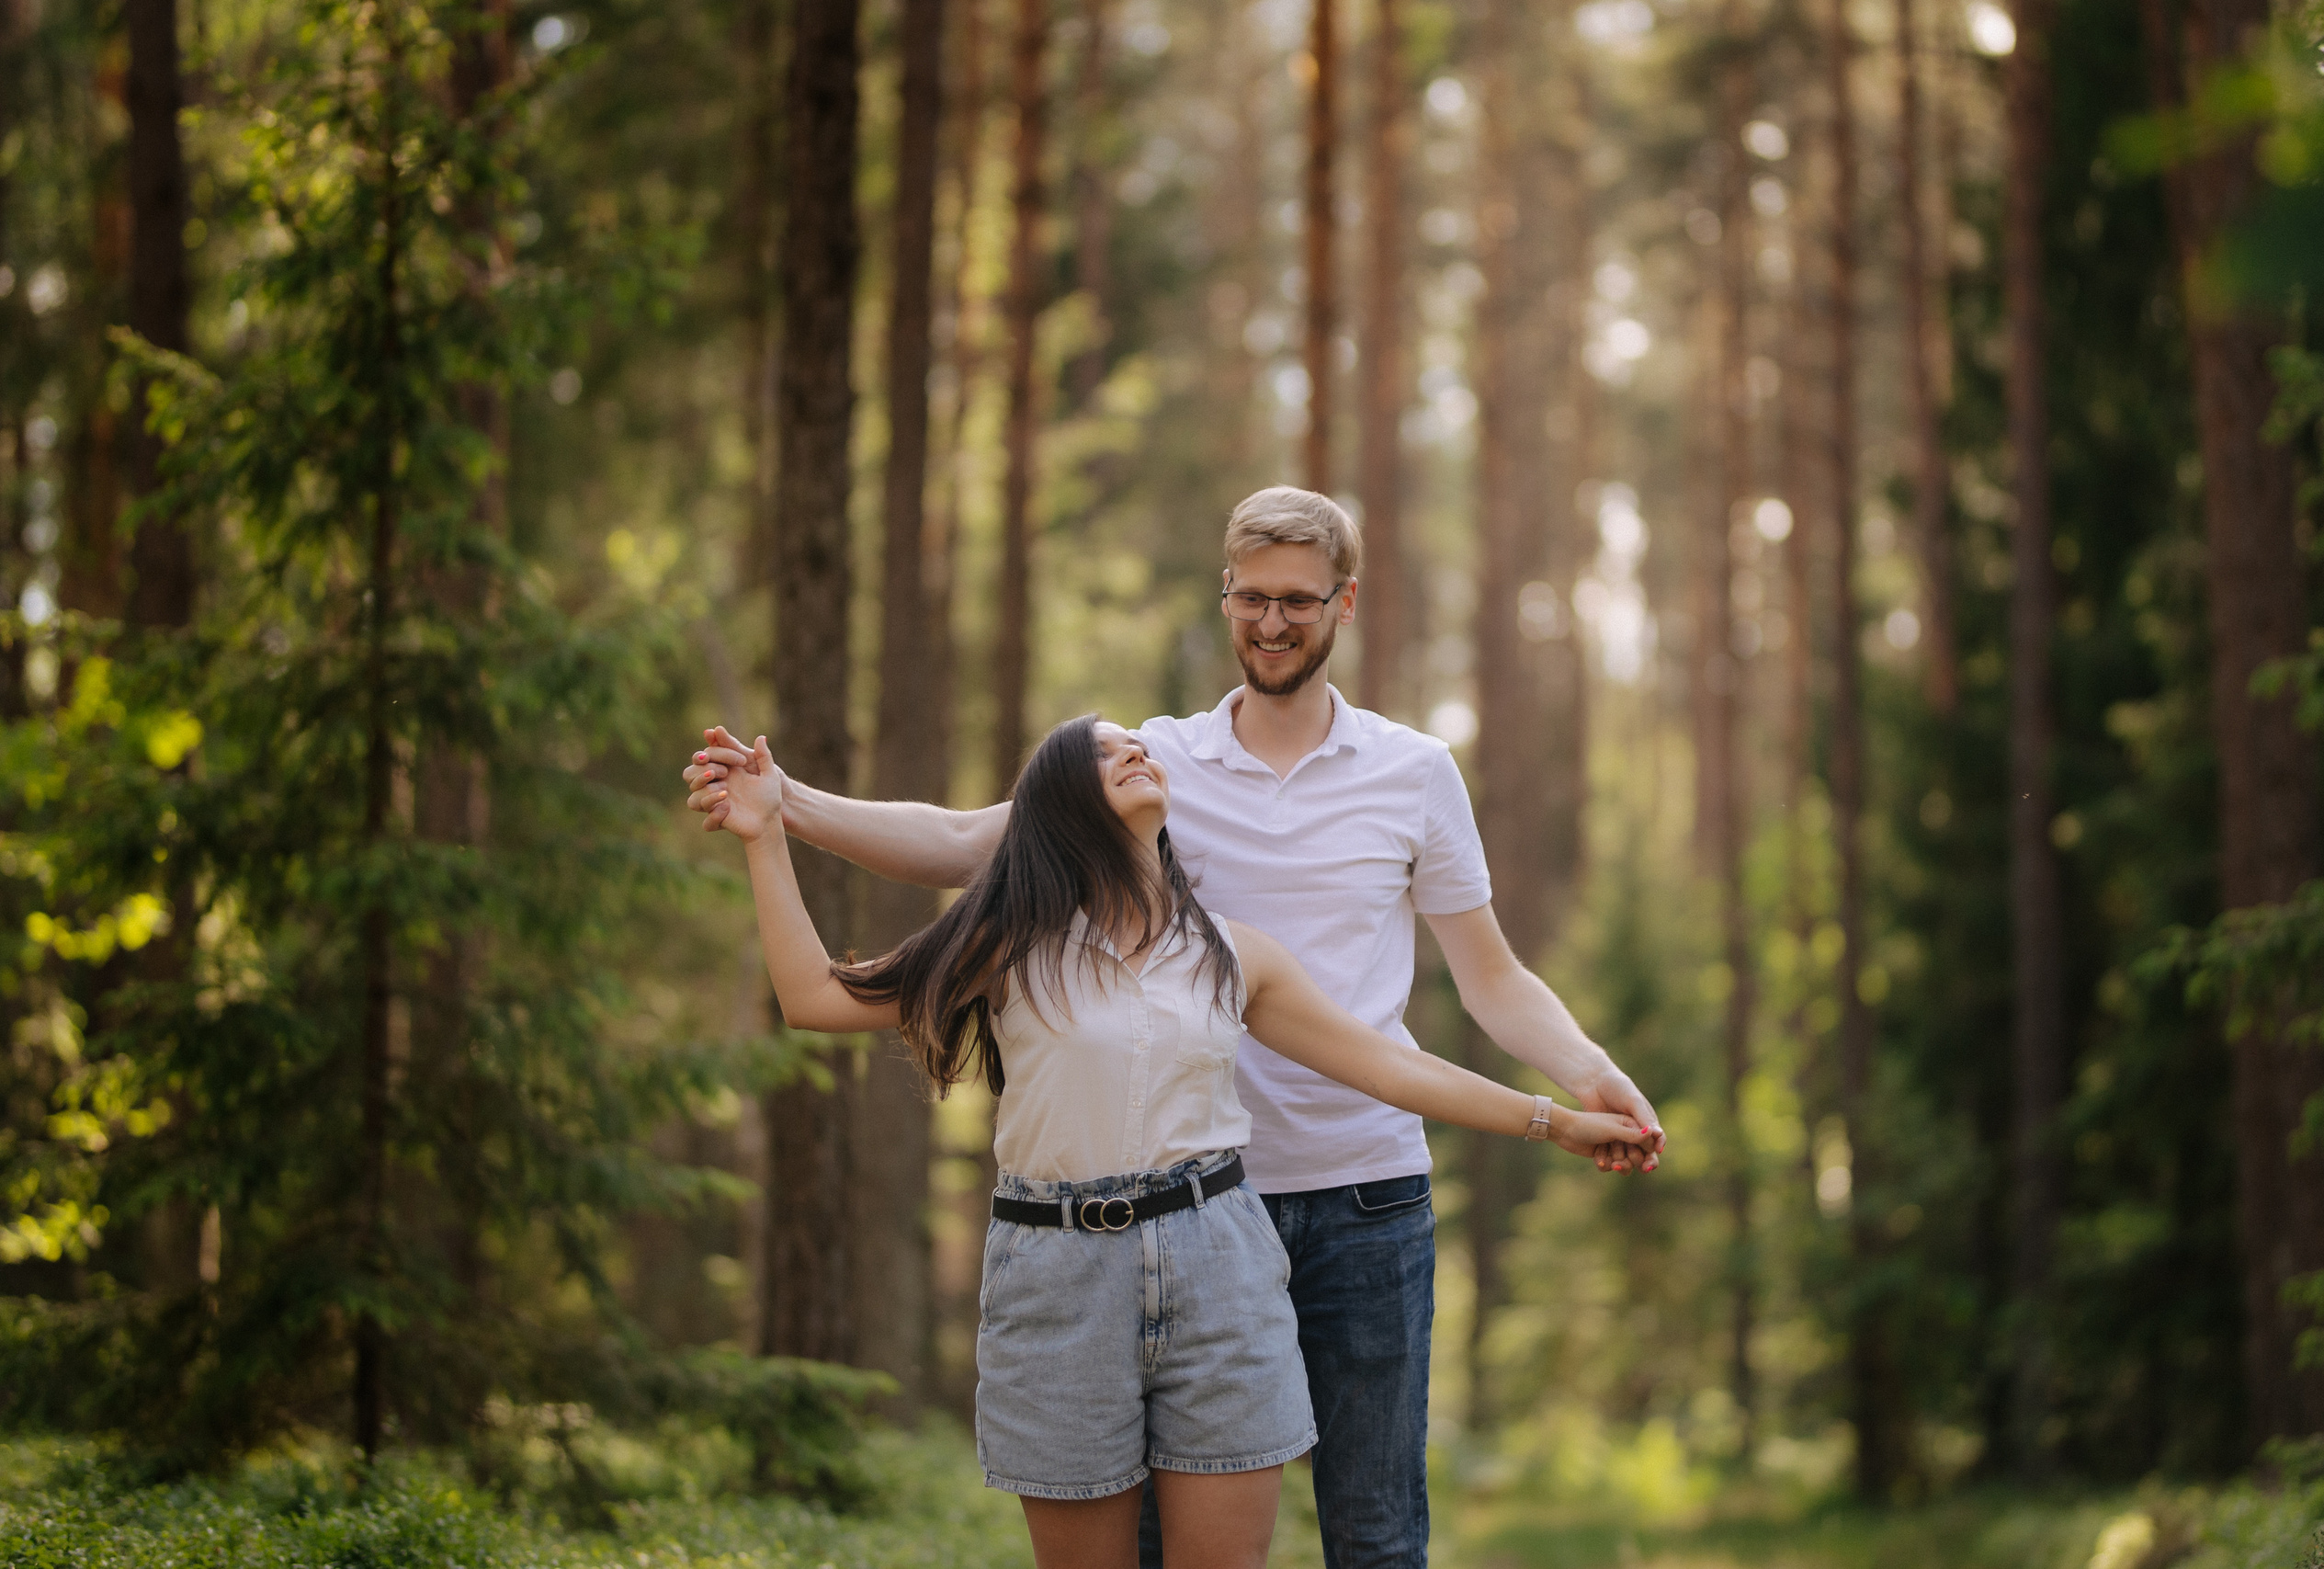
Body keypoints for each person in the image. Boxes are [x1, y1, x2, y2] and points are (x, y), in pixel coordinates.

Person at [687, 485, 1664, 1569]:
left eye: (1299, 600)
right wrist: (783, 805)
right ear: (1225, 598)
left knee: (1377, 1535)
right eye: (1252, 598)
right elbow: (962, 844)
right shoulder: (1151, 761)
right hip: (1185, 1206)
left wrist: (1585, 1081)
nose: (1273, 622)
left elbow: (1484, 985)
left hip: (1363, 1194)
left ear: (1344, 603)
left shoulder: (1411, 775)